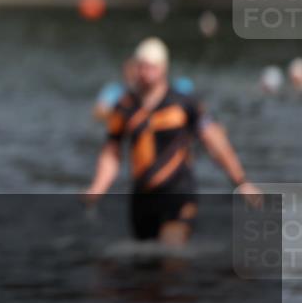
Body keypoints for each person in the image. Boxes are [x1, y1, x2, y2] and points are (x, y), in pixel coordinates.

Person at [83, 37, 261, 245]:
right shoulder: (124, 108)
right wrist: (98, 187)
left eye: (152, 67)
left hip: (179, 192)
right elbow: (112, 152)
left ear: (163, 68)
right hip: (142, 196)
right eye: (142, 67)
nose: (146, 73)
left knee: (171, 254)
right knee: (145, 264)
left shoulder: (184, 104)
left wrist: (241, 182)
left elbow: (215, 142)